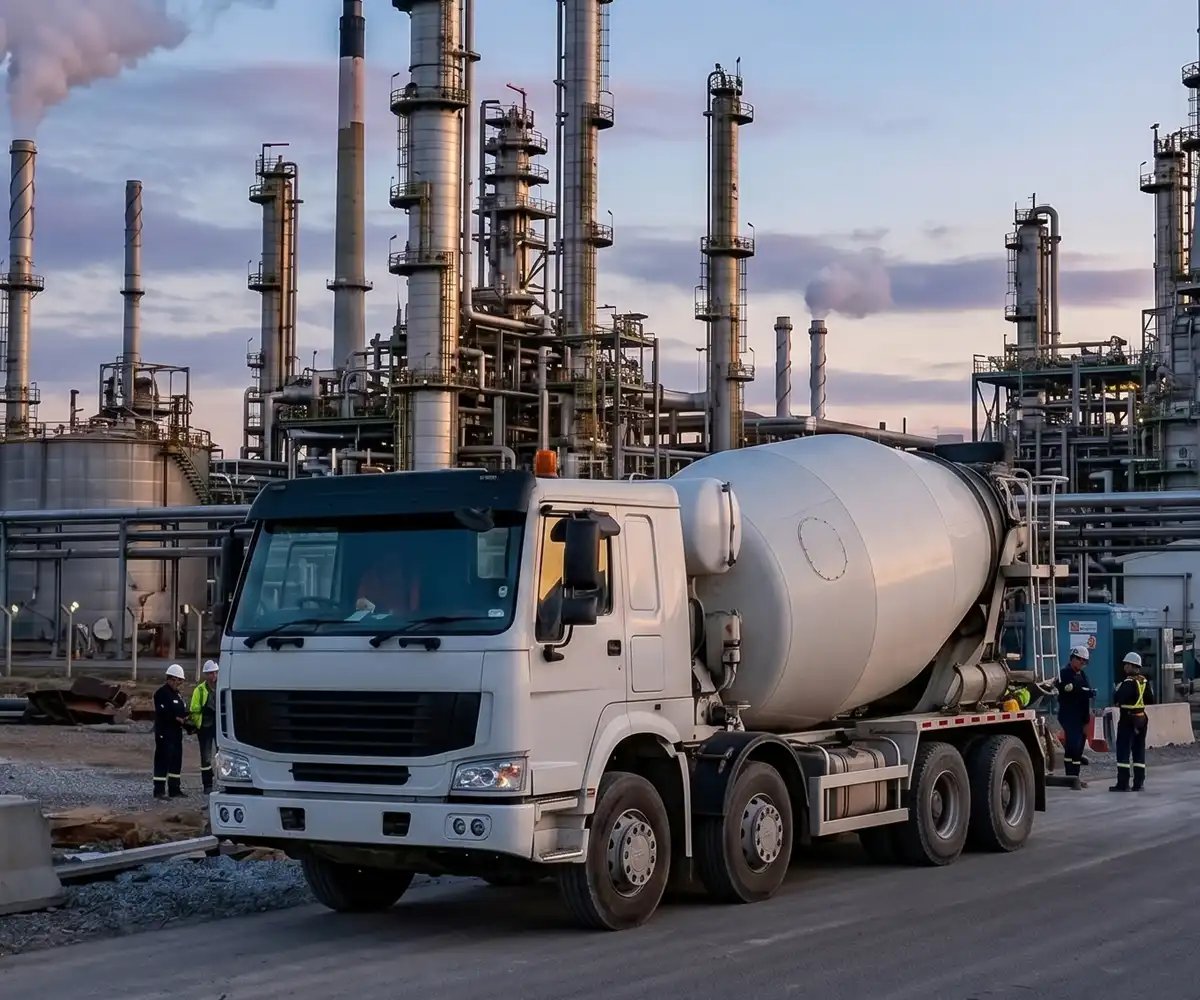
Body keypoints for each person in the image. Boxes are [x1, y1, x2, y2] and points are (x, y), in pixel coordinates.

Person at [1111, 651, 1156, 793]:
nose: (1125, 667)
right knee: (1138, 751)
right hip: (1141, 718)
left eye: (1126, 664)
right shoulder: (1144, 681)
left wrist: (1117, 691)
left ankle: (1123, 784)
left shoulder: (1128, 682)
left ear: (1132, 666)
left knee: (1123, 751)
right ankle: (1139, 783)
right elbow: (1150, 699)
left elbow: (1118, 698)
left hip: (1128, 719)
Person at [1055, 645, 1096, 781]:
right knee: (1072, 746)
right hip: (1069, 715)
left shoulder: (1082, 674)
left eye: (1085, 661)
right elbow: (1071, 690)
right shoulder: (1065, 673)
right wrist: (1086, 691)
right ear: (1073, 658)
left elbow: (1086, 689)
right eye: (1080, 660)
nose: (1082, 664)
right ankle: (1070, 777)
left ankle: (1075, 777)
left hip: (1081, 716)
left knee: (1078, 748)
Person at [153, 663, 194, 799]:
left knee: (176, 760)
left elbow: (181, 711)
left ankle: (174, 789)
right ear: (172, 679)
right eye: (179, 680)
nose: (180, 683)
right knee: (163, 760)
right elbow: (163, 712)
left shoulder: (177, 695)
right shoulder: (161, 693)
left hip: (176, 733)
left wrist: (187, 719)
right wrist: (177, 719)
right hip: (165, 733)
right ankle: (159, 790)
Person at [190, 660, 220, 794]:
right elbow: (194, 709)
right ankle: (207, 784)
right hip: (205, 726)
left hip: (220, 727)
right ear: (206, 675)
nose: (213, 676)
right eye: (210, 673)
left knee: (223, 756)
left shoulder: (222, 687)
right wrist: (198, 724)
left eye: (215, 673)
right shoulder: (200, 690)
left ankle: (225, 782)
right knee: (206, 758)